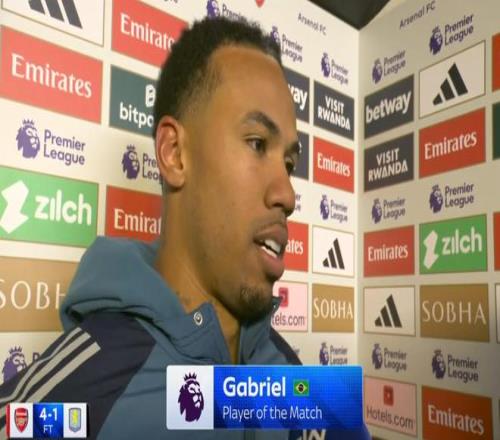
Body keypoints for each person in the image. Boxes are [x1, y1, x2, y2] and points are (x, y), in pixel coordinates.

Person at [0, 17, 369, 440]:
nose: (287, 193)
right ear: (174, 153)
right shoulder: (76, 400)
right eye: (256, 144)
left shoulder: (304, 389)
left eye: (289, 163)